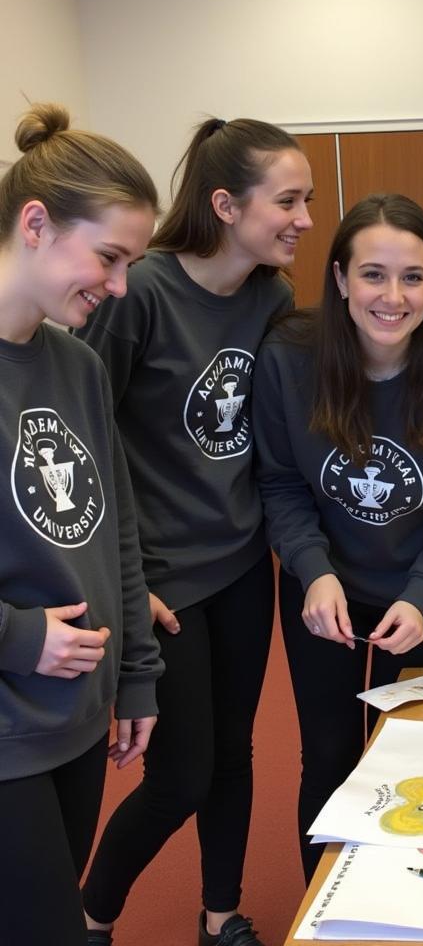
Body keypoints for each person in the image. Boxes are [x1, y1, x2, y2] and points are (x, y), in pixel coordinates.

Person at [79, 119, 313, 946]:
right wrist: (128, 584)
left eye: (306, 200)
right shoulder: (139, 292)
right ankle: (92, 914)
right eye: (288, 200)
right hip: (163, 580)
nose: (304, 218)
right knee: (179, 774)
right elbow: (87, 438)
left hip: (244, 565)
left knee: (235, 757)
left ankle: (220, 918)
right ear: (225, 204)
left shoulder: (272, 298)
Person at [253, 192, 423, 883]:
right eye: (372, 274)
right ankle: (329, 911)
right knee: (330, 758)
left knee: (406, 759)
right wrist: (314, 570)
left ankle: (397, 905)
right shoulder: (290, 360)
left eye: (414, 276)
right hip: (323, 594)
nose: (392, 296)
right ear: (339, 279)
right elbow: (279, 483)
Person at [0, 104, 163, 946]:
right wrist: (16, 636)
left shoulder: (80, 364)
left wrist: (135, 674)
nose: (119, 285)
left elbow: (116, 534)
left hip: (77, 715)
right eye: (108, 257)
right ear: (36, 225)